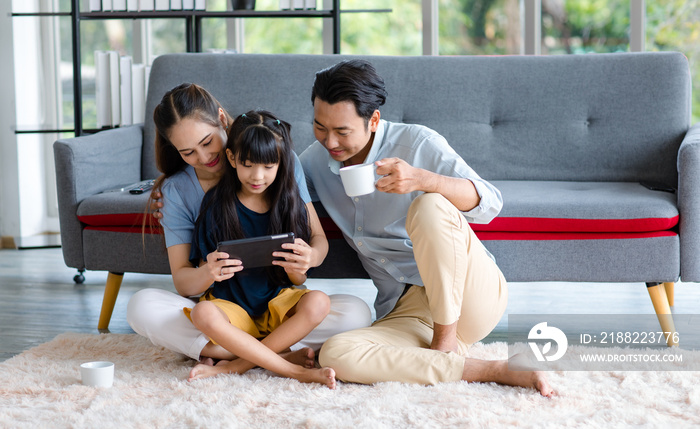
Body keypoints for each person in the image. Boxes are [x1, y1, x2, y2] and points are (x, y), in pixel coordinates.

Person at [299, 59, 554, 396]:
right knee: (336, 354)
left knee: (429, 204)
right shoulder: (315, 161)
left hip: (468, 297)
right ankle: (487, 368)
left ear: (373, 120)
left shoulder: (416, 143)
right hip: (405, 311)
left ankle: (446, 343)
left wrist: (422, 179)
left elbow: (490, 202)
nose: (329, 142)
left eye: (342, 132)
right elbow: (281, 193)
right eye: (320, 127)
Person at [126, 83, 372, 371]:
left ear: (220, 118)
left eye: (207, 142)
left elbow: (317, 237)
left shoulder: (276, 158)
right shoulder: (177, 191)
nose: (204, 158)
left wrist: (310, 258)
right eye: (188, 152)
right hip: (223, 307)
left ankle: (232, 356)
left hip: (276, 302)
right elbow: (182, 282)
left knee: (356, 313)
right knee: (141, 306)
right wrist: (207, 272)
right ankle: (277, 354)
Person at [184, 110, 336, 388]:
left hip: (277, 304)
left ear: (281, 163)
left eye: (268, 166)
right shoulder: (217, 205)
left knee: (320, 302)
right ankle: (292, 366)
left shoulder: (289, 203)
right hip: (232, 308)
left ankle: (237, 365)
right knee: (201, 313)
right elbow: (201, 273)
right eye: (248, 164)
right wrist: (210, 269)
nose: (257, 176)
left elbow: (298, 280)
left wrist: (298, 268)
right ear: (232, 159)